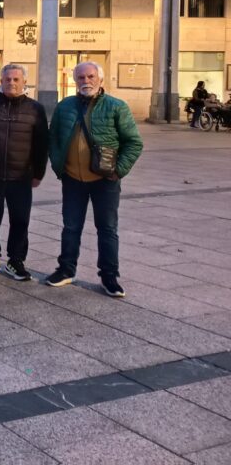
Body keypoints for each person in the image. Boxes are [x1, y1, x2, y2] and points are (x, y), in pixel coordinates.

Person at [45, 61, 143, 297]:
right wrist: (59, 165)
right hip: (72, 179)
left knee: (107, 228)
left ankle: (109, 277)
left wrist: (118, 170)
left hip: (105, 180)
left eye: (90, 76)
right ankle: (66, 269)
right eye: (81, 77)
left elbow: (134, 142)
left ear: (100, 79)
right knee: (71, 227)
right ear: (75, 80)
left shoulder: (116, 106)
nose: (86, 81)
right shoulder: (65, 106)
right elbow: (53, 138)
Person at [0, 64, 48, 281]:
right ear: (1, 80)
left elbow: (42, 143)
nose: (11, 83)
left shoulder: (35, 108)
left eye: (16, 80)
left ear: (24, 82)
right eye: (7, 79)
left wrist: (38, 173)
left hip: (21, 175)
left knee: (20, 220)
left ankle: (16, 260)